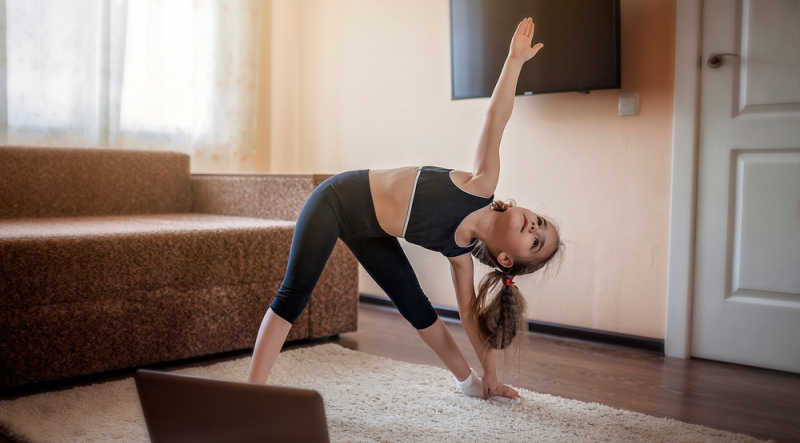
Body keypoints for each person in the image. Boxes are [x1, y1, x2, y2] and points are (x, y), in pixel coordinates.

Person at [248, 18, 561, 403]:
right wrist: (514, 61)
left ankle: (467, 385)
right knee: (294, 294)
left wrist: (489, 377)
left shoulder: (459, 253)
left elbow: (468, 317)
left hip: (372, 233)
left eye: (536, 242)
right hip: (335, 200)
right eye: (540, 224)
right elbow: (496, 117)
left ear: (505, 259)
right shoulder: (481, 183)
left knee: (419, 310)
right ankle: (252, 394)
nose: (535, 227)